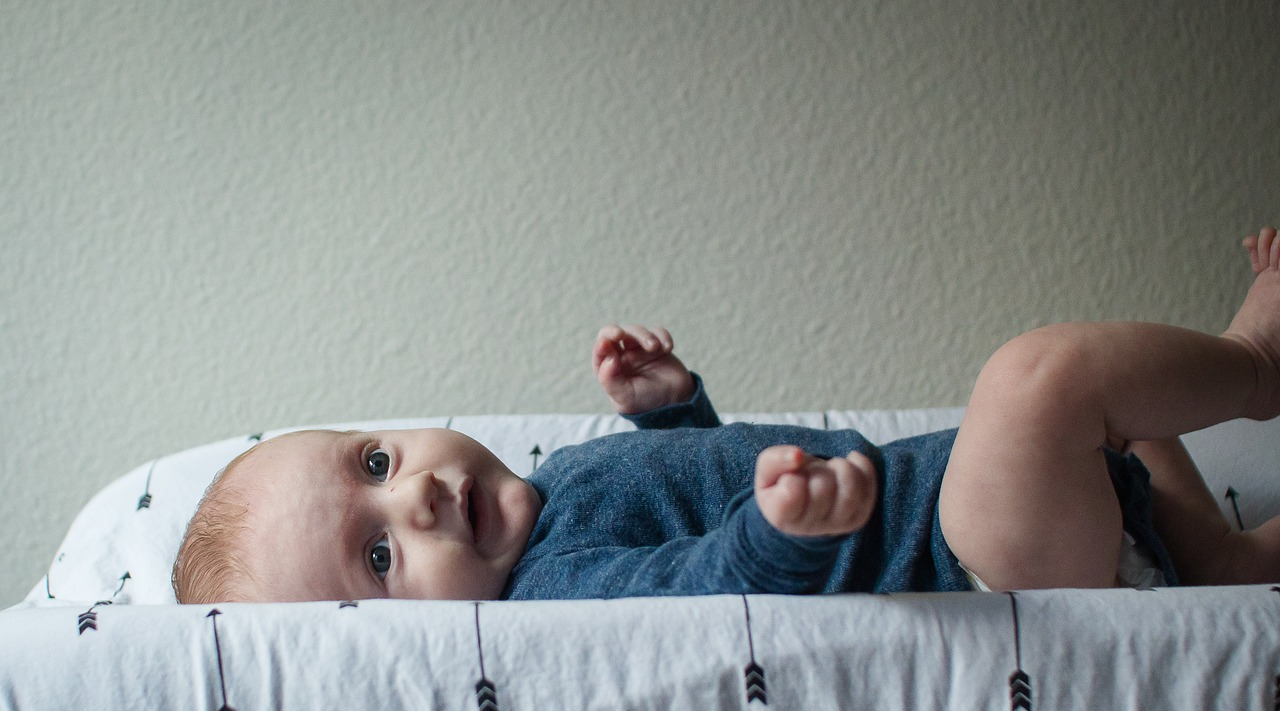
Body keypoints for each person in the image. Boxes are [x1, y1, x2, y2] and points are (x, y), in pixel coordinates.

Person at [172, 227, 1280, 604]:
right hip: (968, 563)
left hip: (1031, 520)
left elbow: (700, 486)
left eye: (373, 459)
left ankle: (1214, 562)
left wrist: (675, 414)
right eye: (376, 552)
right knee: (1038, 384)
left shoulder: (560, 489)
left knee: (1118, 420)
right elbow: (697, 590)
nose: (410, 493)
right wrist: (775, 538)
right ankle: (1255, 364)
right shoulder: (558, 592)